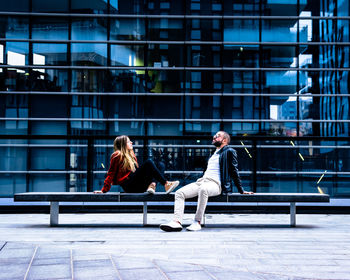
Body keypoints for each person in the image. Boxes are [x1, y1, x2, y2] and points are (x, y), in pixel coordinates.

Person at [160, 131, 254, 232]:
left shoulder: (229, 151)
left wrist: (241, 190)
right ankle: (177, 222)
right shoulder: (213, 154)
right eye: (214, 136)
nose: (214, 137)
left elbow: (234, 171)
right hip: (202, 181)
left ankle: (197, 222)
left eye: (217, 136)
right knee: (179, 193)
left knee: (203, 189)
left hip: (215, 184)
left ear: (225, 140)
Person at [94, 135, 179, 194]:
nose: (131, 142)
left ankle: (152, 185)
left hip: (137, 185)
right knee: (149, 162)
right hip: (129, 186)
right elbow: (111, 173)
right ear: (123, 144)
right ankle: (166, 184)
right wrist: (104, 190)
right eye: (128, 141)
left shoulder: (131, 155)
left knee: (161, 165)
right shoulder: (117, 155)